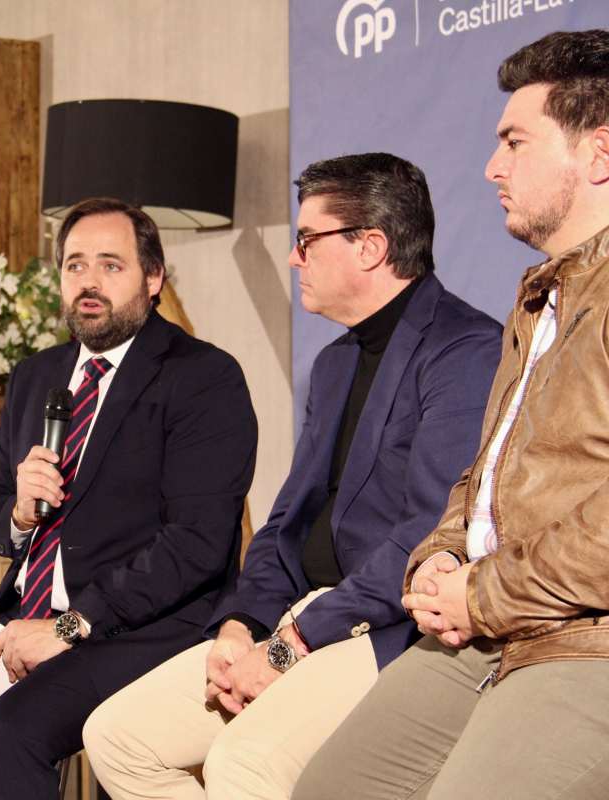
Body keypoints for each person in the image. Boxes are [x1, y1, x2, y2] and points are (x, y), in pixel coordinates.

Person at [81, 154, 502, 799]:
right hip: (296, 617)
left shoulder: (465, 350)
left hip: (387, 627)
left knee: (242, 767)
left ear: (371, 246)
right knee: (116, 737)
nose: (294, 258)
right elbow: (285, 521)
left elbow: (427, 538)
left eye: (306, 240)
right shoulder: (334, 364)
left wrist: (291, 644)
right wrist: (242, 625)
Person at [0, 197, 258, 800]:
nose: (89, 282)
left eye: (111, 266)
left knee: (14, 730)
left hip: (140, 628)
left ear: (154, 278)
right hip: (24, 620)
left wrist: (69, 625)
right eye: (75, 265)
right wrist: (18, 512)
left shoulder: (202, 377)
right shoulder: (38, 375)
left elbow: (196, 545)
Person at [293, 29, 609, 800]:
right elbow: (485, 473)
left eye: (515, 142)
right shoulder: (539, 298)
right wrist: (439, 553)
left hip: (585, 640)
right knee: (328, 789)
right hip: (493, 625)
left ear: (599, 153)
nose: (492, 167)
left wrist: (482, 591)